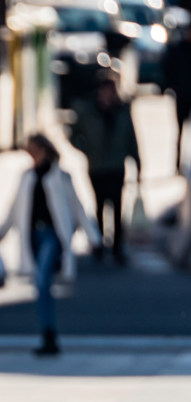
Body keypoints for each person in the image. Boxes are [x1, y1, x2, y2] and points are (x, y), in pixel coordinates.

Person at [0, 134, 101, 357]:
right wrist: (1, 231)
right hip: (32, 234)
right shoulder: (27, 176)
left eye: (34, 150)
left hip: (53, 234)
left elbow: (77, 208)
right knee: (40, 284)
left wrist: (93, 236)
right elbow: (15, 207)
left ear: (44, 150)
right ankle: (47, 332)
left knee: (43, 281)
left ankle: (49, 334)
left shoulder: (61, 177)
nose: (31, 155)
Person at [70, 78, 141, 265]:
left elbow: (131, 138)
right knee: (100, 205)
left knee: (116, 206)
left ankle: (117, 247)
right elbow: (73, 134)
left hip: (116, 166)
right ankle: (99, 243)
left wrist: (137, 162)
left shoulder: (122, 112)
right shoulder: (88, 111)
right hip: (97, 167)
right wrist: (86, 149)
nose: (110, 95)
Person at [164, 25, 191, 173]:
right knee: (179, 130)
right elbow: (168, 68)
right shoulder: (178, 49)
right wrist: (172, 86)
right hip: (182, 95)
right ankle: (177, 162)